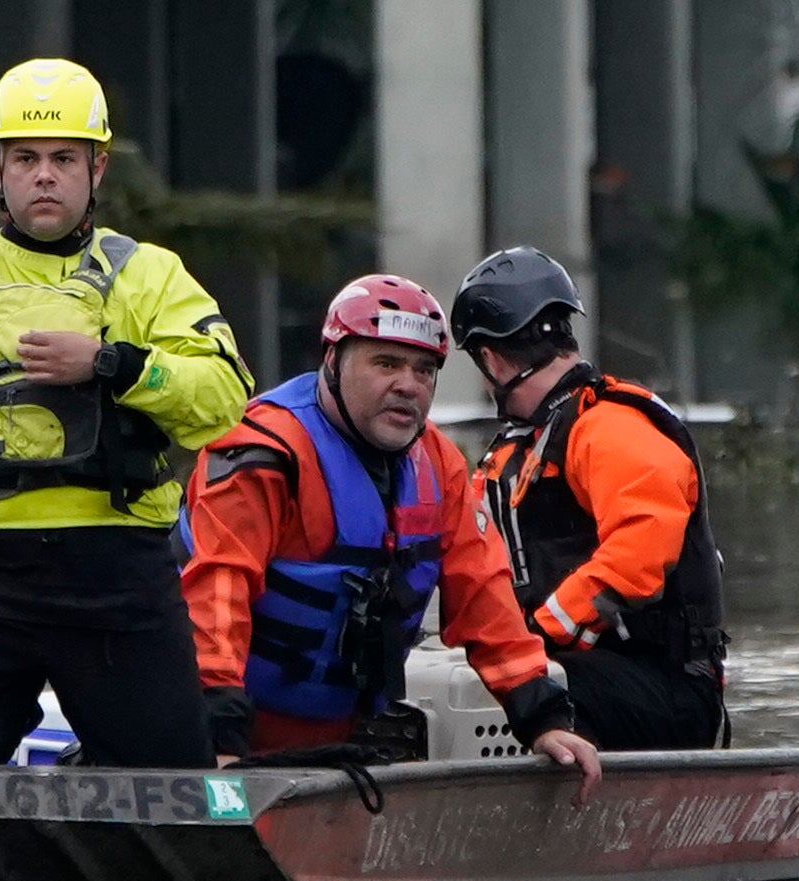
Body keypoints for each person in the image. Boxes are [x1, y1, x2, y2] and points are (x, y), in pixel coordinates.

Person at [0, 58, 254, 769]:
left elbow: (224, 401)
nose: (44, 175)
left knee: (172, 782)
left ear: (97, 170)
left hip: (120, 575)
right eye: (26, 158)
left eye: (64, 158)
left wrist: (113, 363)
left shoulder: (151, 278)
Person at [184, 273, 603, 787]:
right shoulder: (263, 454)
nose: (409, 384)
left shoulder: (439, 464)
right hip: (223, 733)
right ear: (334, 362)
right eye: (386, 363)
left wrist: (544, 720)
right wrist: (220, 741)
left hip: (337, 740)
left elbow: (485, 594)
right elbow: (215, 594)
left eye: (425, 370)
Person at [451, 244, 730, 751]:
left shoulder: (608, 426)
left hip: (665, 691)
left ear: (489, 359)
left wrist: (533, 637)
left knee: (501, 688)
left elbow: (639, 553)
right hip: (581, 668)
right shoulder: (519, 450)